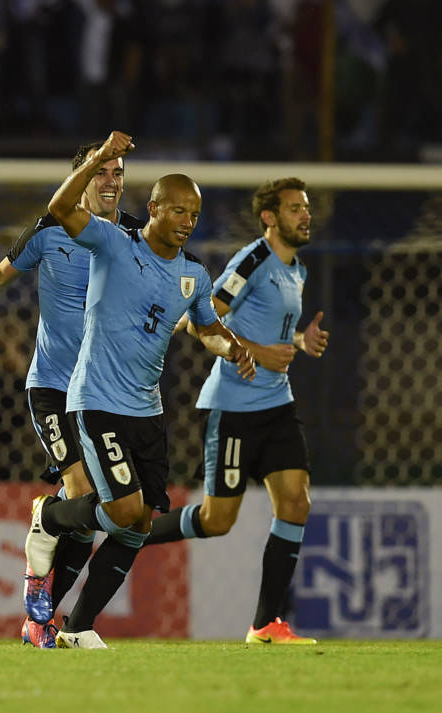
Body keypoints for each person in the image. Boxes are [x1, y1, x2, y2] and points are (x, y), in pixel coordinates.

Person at [22, 131, 256, 648]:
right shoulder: (111, 242)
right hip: (96, 401)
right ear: (152, 208)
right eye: (178, 211)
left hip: (145, 409)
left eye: (194, 214)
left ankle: (77, 627)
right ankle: (49, 515)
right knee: (123, 510)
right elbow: (61, 207)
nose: (188, 222)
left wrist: (233, 347)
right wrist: (101, 160)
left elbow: (206, 328)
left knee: (139, 525)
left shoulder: (193, 273)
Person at [0, 141, 145, 648]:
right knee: (82, 494)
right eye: (100, 172)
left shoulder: (137, 237)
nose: (111, 181)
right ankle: (43, 520)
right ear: (81, 181)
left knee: (91, 516)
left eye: (118, 172)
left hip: (106, 396)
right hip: (52, 388)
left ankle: (40, 619)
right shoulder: (49, 231)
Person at [144, 177, 329, 645]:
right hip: (234, 408)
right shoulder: (253, 260)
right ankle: (131, 532)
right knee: (216, 521)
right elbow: (200, 318)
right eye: (294, 209)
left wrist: (299, 343)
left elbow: (273, 336)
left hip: (277, 404)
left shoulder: (297, 270)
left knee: (296, 502)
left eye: (306, 208)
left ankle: (266, 624)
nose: (305, 215)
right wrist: (258, 352)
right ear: (269, 218)